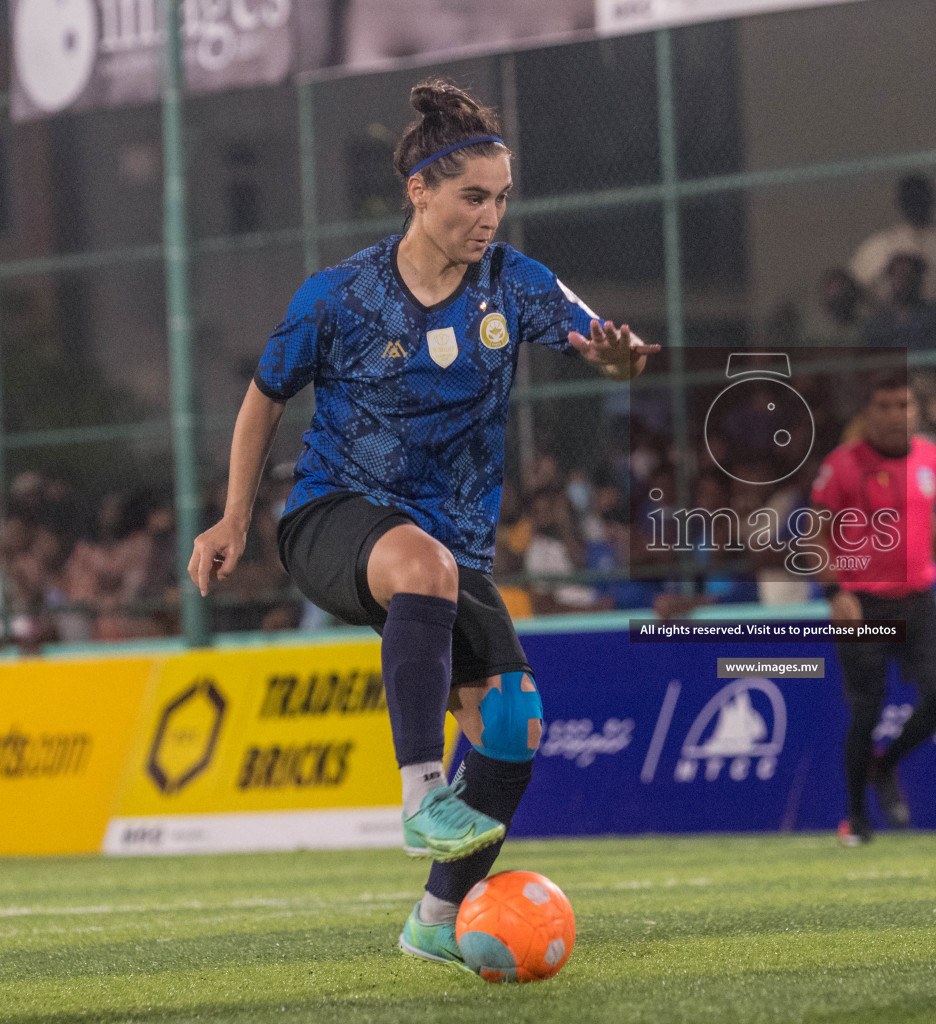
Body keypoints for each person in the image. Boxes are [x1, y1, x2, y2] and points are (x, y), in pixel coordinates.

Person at [187, 81, 658, 968]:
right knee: (423, 566)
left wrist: (621, 360)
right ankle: (419, 794)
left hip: (450, 551)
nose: (491, 215)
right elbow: (262, 401)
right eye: (473, 197)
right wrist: (232, 519)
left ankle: (435, 922)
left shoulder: (512, 283)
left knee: (515, 726)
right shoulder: (339, 296)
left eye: (503, 197)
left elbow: (600, 345)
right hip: (332, 519)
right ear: (420, 191)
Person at [809, 371, 936, 846]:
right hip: (861, 603)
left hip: (918, 601)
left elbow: (929, 523)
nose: (894, 415)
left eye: (903, 405)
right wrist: (834, 593)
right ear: (868, 413)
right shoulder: (842, 466)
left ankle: (885, 765)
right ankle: (856, 820)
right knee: (865, 712)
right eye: (884, 406)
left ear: (915, 412)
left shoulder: (929, 456)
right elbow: (815, 535)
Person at [849, 175, 936, 302]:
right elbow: (855, 285)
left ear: (932, 200)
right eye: (910, 199)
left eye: (920, 198)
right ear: (899, 203)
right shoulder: (879, 246)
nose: (916, 204)